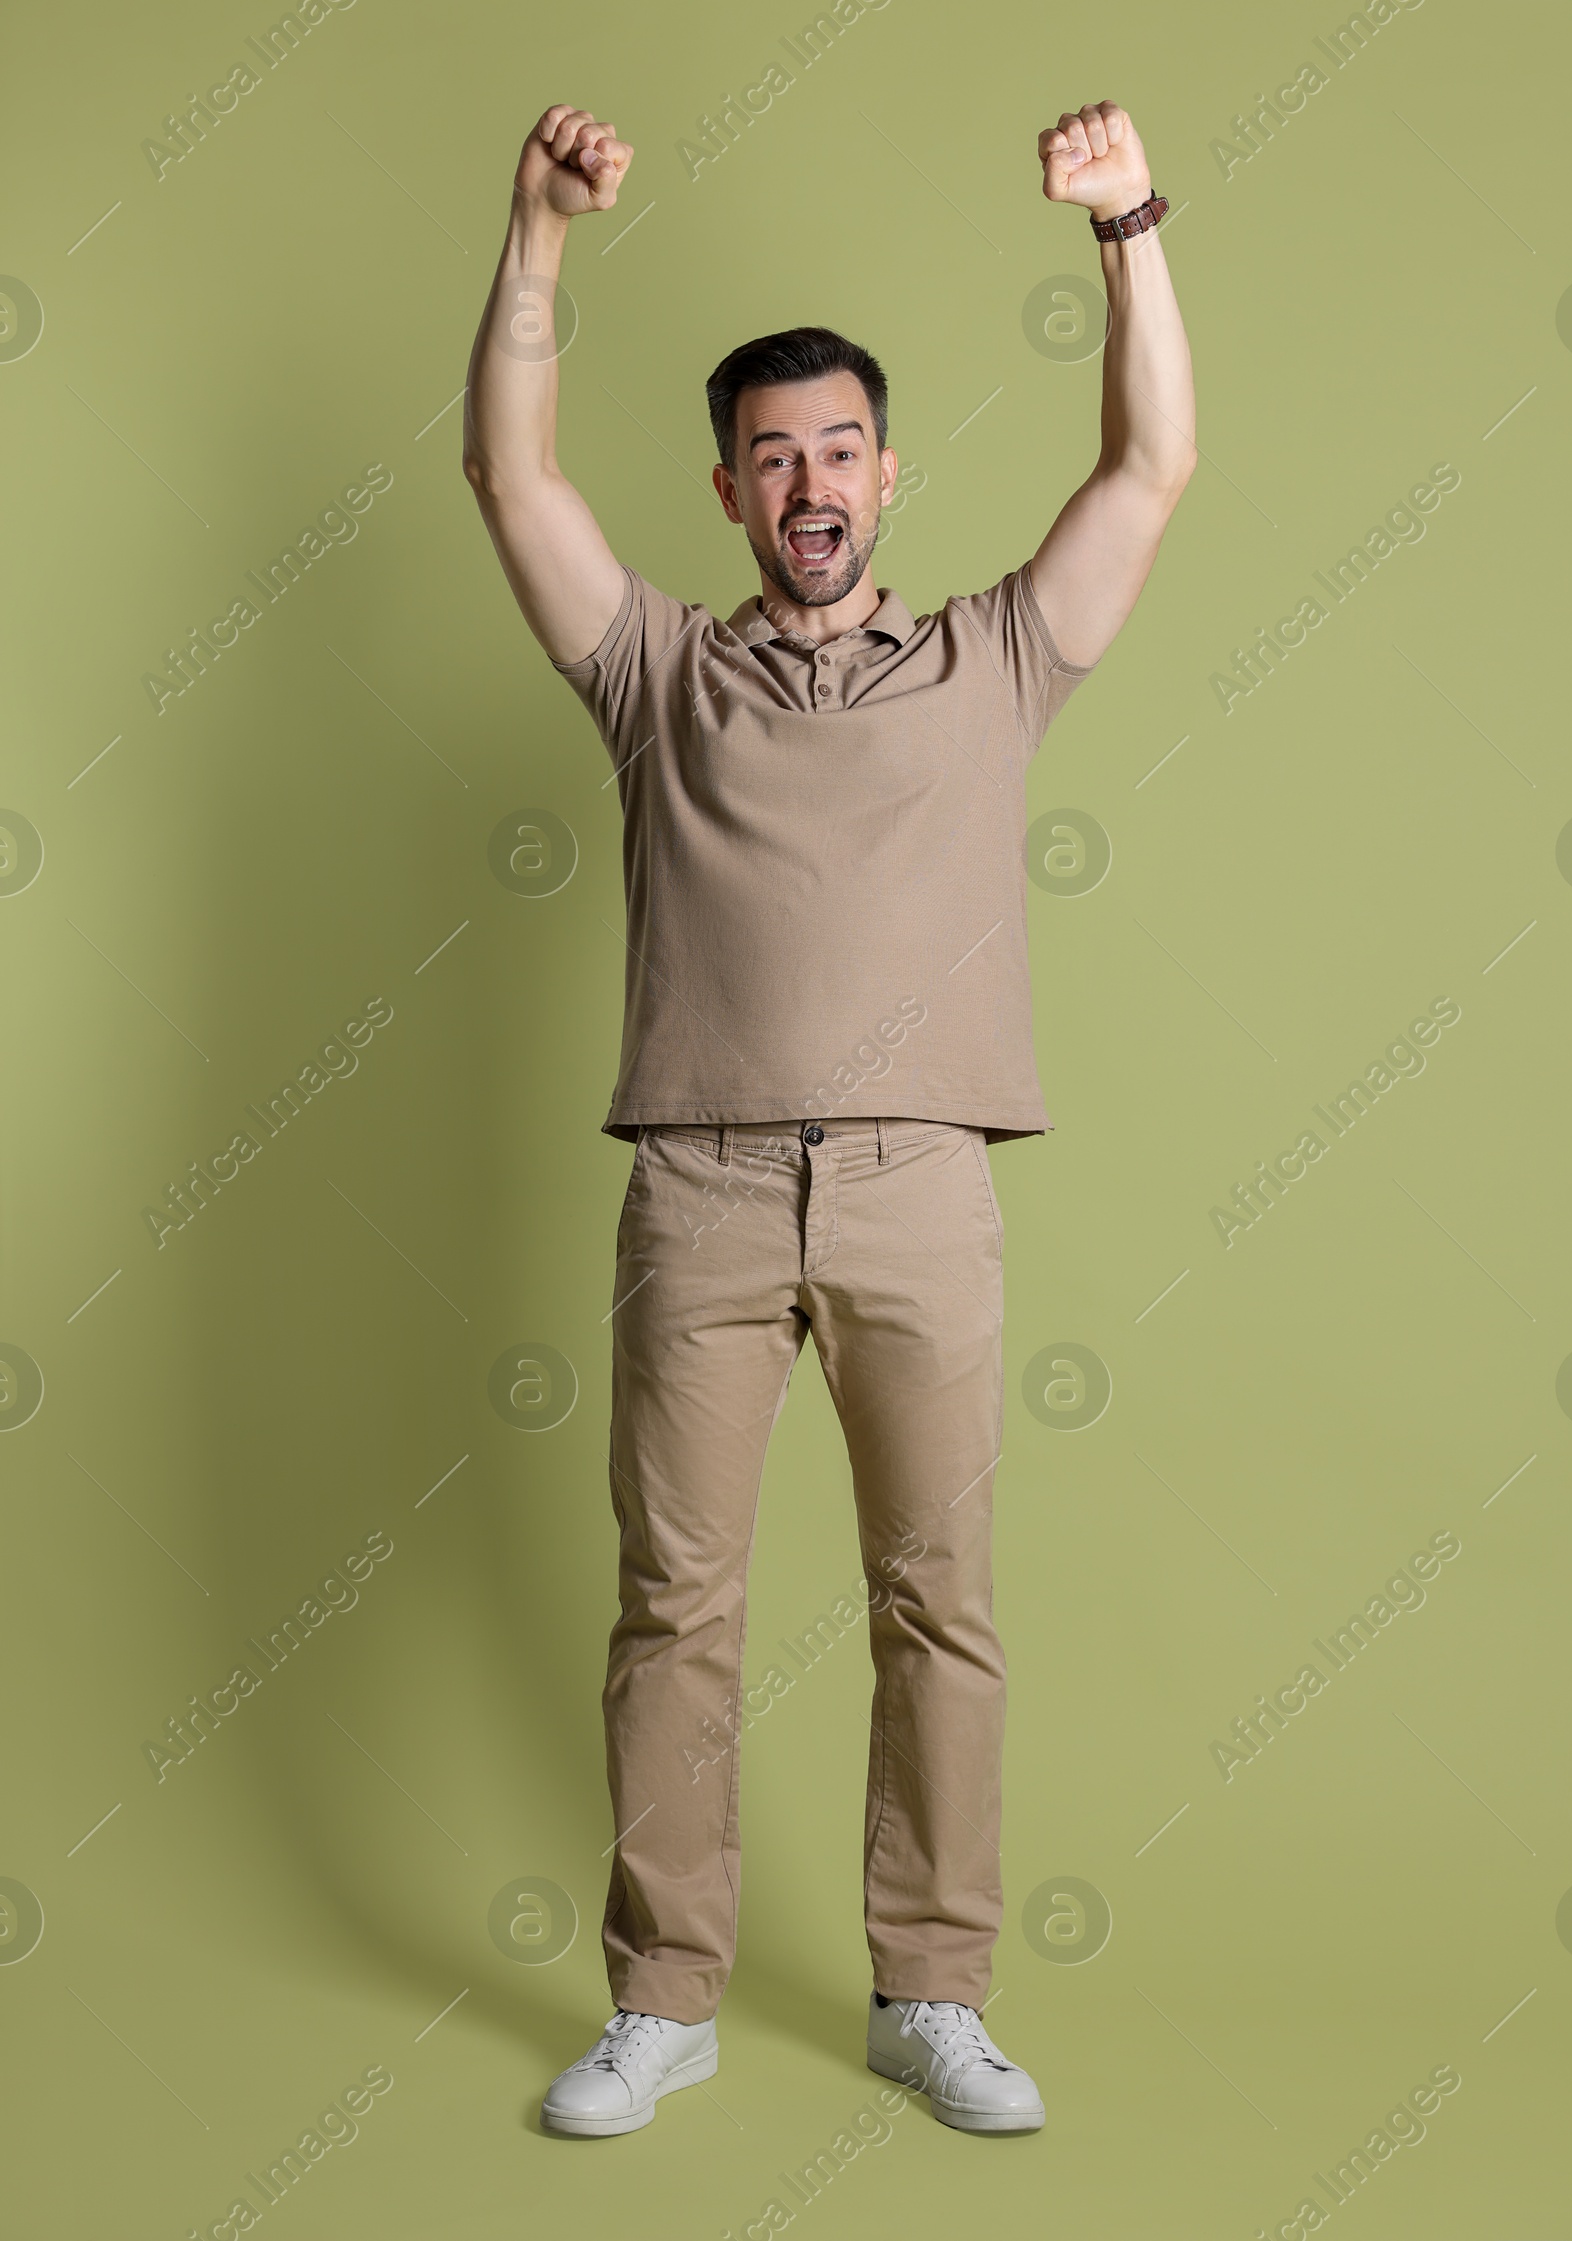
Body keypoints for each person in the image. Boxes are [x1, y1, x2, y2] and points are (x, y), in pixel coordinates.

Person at [463, 97, 1194, 2139]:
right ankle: (664, 1998)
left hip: (917, 1193)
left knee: (935, 1600)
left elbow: (1151, 464)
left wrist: (1125, 222)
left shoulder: (992, 659)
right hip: (694, 1189)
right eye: (771, 454)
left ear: (886, 470)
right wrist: (533, 235)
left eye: (839, 448)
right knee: (672, 1603)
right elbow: (506, 473)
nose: (809, 482)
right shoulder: (653, 676)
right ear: (725, 485)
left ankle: (929, 1989)